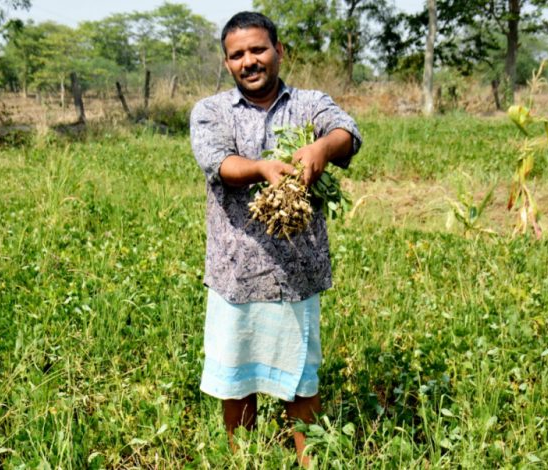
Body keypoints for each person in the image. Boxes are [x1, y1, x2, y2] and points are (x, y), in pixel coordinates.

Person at [190, 11, 362, 466]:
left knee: (300, 382)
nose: (249, 61)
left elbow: (348, 133)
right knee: (236, 380)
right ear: (227, 63)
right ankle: (244, 460)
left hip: (295, 273)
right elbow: (218, 163)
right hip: (235, 272)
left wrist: (322, 148)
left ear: (279, 52)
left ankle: (309, 462)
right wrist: (263, 168)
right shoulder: (211, 111)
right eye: (237, 55)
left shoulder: (310, 104)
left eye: (258, 50)